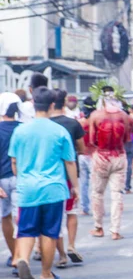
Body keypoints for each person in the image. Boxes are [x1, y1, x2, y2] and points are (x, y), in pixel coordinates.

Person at [9, 86, 79, 279]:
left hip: (27, 188)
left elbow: (14, 163)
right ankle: (46, 273)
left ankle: (22, 258)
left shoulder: (20, 131)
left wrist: (22, 177)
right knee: (49, 231)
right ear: (51, 105)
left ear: (32, 103)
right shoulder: (60, 131)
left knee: (26, 230)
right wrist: (75, 186)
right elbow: (69, 162)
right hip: (53, 188)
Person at [88, 82, 133, 240]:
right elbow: (127, 139)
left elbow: (92, 140)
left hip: (101, 155)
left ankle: (98, 227)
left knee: (97, 193)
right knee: (117, 194)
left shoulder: (96, 115)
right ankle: (115, 230)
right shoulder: (124, 117)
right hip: (119, 156)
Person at [50, 89, 86, 267]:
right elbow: (82, 149)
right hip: (69, 176)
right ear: (64, 102)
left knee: (55, 216)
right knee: (71, 213)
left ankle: (62, 255)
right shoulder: (73, 124)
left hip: (51, 176)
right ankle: (71, 245)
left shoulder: (43, 125)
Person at [0, 93, 22, 270]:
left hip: (2, 181)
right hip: (22, 179)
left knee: (5, 217)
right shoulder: (24, 129)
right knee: (21, 218)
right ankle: (21, 255)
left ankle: (15, 255)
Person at [78, 97, 96, 216]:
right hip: (94, 154)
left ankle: (85, 207)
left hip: (82, 154)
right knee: (96, 184)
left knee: (83, 183)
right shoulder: (96, 122)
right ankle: (97, 208)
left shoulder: (80, 122)